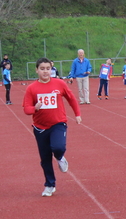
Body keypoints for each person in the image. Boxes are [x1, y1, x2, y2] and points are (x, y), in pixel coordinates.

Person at [22, 57, 82, 197]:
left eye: (48, 69)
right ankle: (50, 184)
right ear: (37, 70)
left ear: (52, 69)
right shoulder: (31, 89)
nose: (45, 72)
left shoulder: (59, 84)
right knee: (45, 158)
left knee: (58, 147)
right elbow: (26, 109)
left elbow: (71, 99)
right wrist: (34, 108)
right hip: (40, 127)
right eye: (42, 69)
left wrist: (77, 114)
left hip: (58, 123)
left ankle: (60, 157)